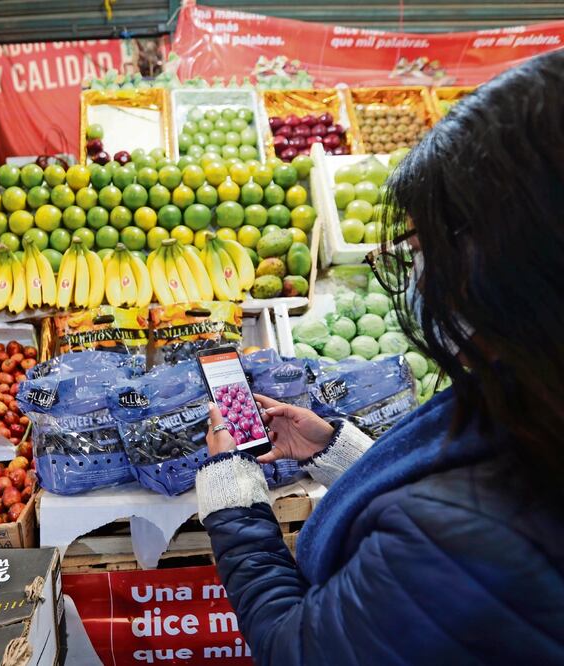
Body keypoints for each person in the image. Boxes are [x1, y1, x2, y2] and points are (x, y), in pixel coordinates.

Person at [196, 50, 564, 663]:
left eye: (419, 251)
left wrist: (233, 499)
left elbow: (297, 647)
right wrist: (345, 456)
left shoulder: (457, 541)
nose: (416, 275)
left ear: (507, 263)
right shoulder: (528, 392)